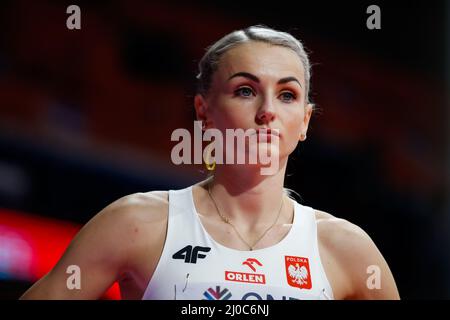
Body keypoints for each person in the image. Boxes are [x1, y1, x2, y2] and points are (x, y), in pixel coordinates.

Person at [20, 25, 400, 300]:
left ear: (304, 121)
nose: (267, 111)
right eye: (246, 91)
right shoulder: (137, 223)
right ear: (204, 111)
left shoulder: (345, 248)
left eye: (287, 95)